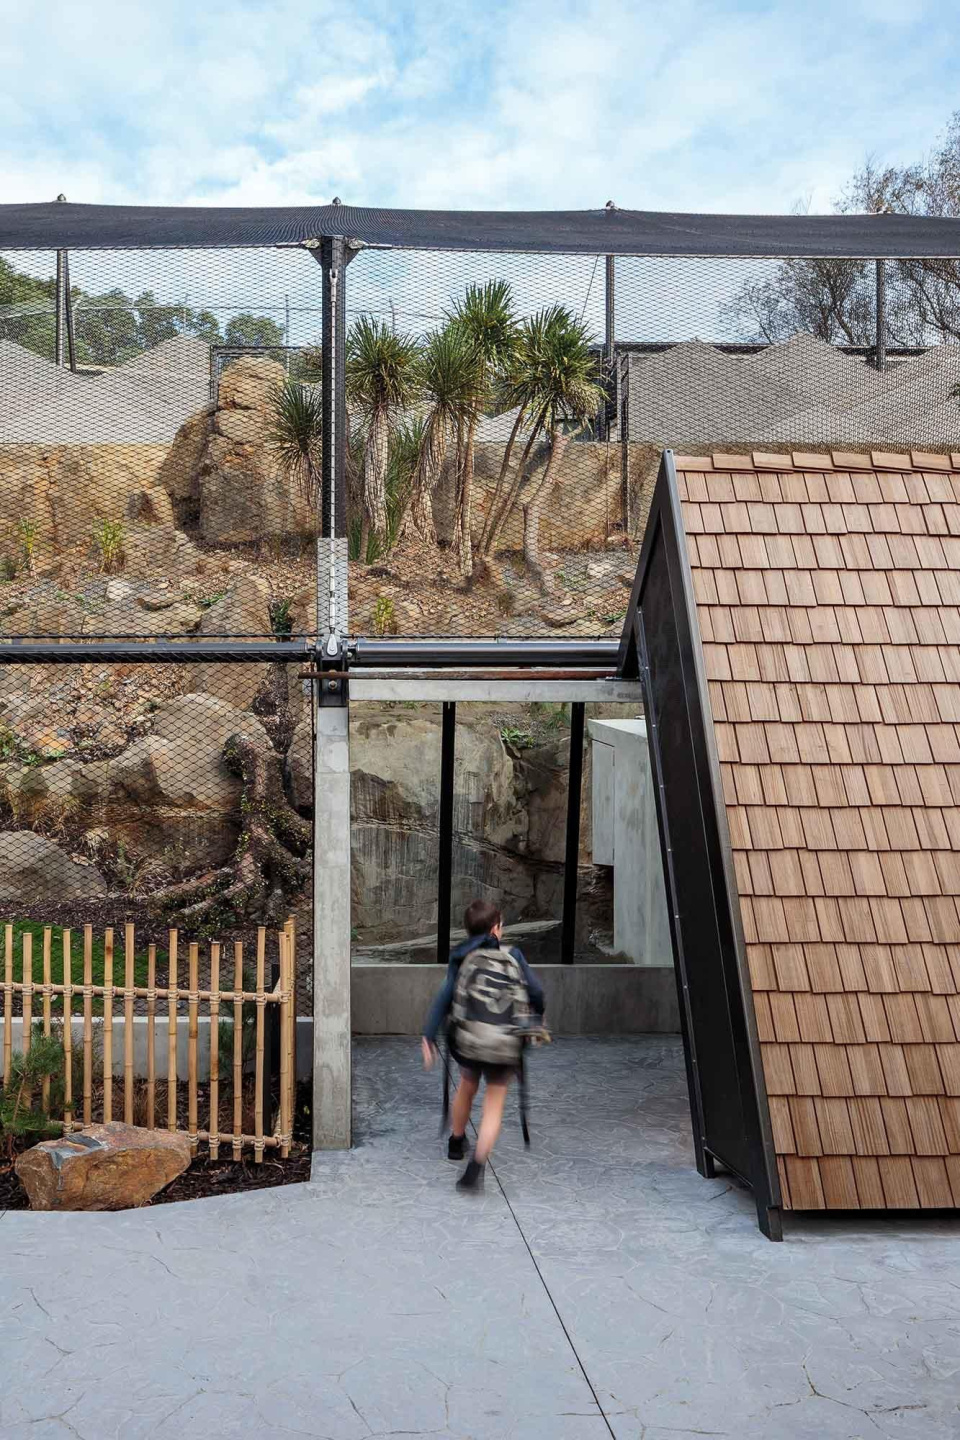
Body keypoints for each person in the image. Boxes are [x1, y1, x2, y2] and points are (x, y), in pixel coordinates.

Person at [422, 898, 545, 1193]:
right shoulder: (513, 955)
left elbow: (445, 995)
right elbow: (537, 992)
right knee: (494, 1100)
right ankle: (476, 1165)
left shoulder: (460, 956)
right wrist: (537, 1017)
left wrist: (429, 1036)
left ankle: (456, 1142)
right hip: (504, 1043)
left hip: (468, 1040)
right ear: (495, 929)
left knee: (467, 1085)